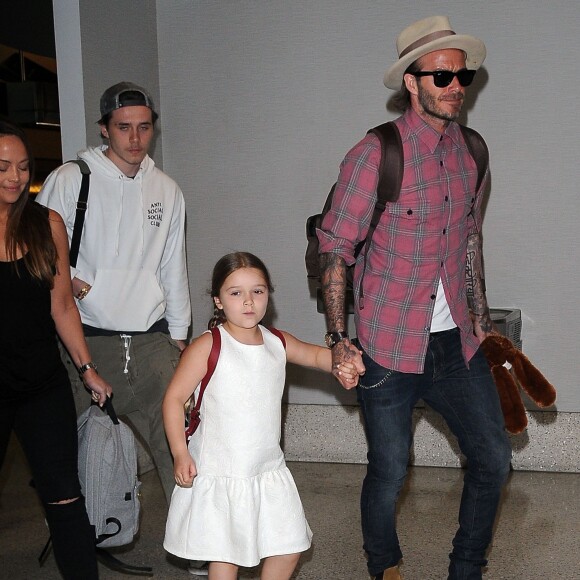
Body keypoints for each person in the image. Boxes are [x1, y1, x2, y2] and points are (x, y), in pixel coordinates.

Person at [317, 16, 512, 580]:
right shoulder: (375, 154)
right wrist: (338, 341)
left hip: (457, 344)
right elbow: (335, 248)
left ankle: (466, 568)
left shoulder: (472, 152)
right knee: (388, 469)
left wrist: (482, 325)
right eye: (442, 77)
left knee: (494, 458)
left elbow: (470, 243)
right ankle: (385, 566)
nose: (456, 87)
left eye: (464, 76)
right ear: (412, 81)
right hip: (387, 341)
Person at [36, 82, 191, 510]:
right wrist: (81, 284)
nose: (136, 138)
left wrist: (178, 336)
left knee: (179, 445)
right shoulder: (70, 180)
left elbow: (172, 265)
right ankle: (79, 535)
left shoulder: (166, 189)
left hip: (151, 339)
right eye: (124, 127)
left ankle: (196, 544)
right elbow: (39, 254)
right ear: (105, 129)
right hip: (86, 337)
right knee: (82, 451)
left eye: (144, 127)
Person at [162, 251, 364, 580]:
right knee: (226, 557)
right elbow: (173, 399)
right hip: (223, 471)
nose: (248, 302)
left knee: (289, 547)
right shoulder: (208, 346)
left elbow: (315, 356)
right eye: (235, 292)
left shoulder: (276, 341)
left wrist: (341, 363)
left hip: (267, 467)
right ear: (218, 300)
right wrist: (179, 452)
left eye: (258, 291)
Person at [0, 118, 113, 578]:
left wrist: (87, 368)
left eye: (24, 167)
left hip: (41, 384)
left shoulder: (46, 224)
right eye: (3, 167)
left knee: (65, 493)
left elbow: (62, 305)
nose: (15, 177)